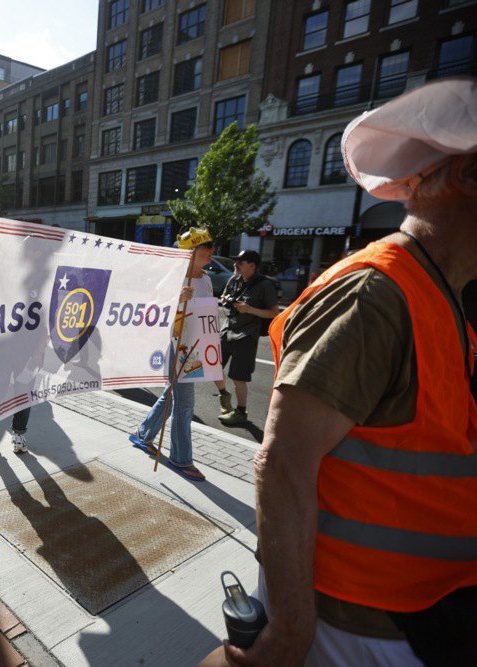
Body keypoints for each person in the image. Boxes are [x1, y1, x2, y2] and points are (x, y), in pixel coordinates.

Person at [203, 78, 477, 667]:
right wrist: (288, 631)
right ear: (467, 175)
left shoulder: (443, 298)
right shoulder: (374, 293)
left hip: (424, 616)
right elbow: (282, 463)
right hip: (354, 624)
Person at [128, 228, 215, 481]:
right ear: (191, 252)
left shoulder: (206, 279)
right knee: (185, 403)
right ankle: (181, 458)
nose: (212, 250)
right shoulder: (174, 278)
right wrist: (176, 298)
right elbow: (152, 311)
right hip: (176, 346)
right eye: (206, 246)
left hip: (195, 346)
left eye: (211, 246)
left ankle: (144, 434)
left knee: (172, 395)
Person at [214, 250, 279, 426]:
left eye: (241, 262)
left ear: (252, 265)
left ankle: (241, 412)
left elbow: (274, 313)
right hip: (227, 330)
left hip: (246, 335)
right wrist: (226, 300)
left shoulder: (264, 285)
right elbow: (223, 297)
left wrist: (250, 309)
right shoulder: (234, 279)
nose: (236, 264)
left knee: (238, 377)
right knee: (213, 367)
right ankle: (224, 395)